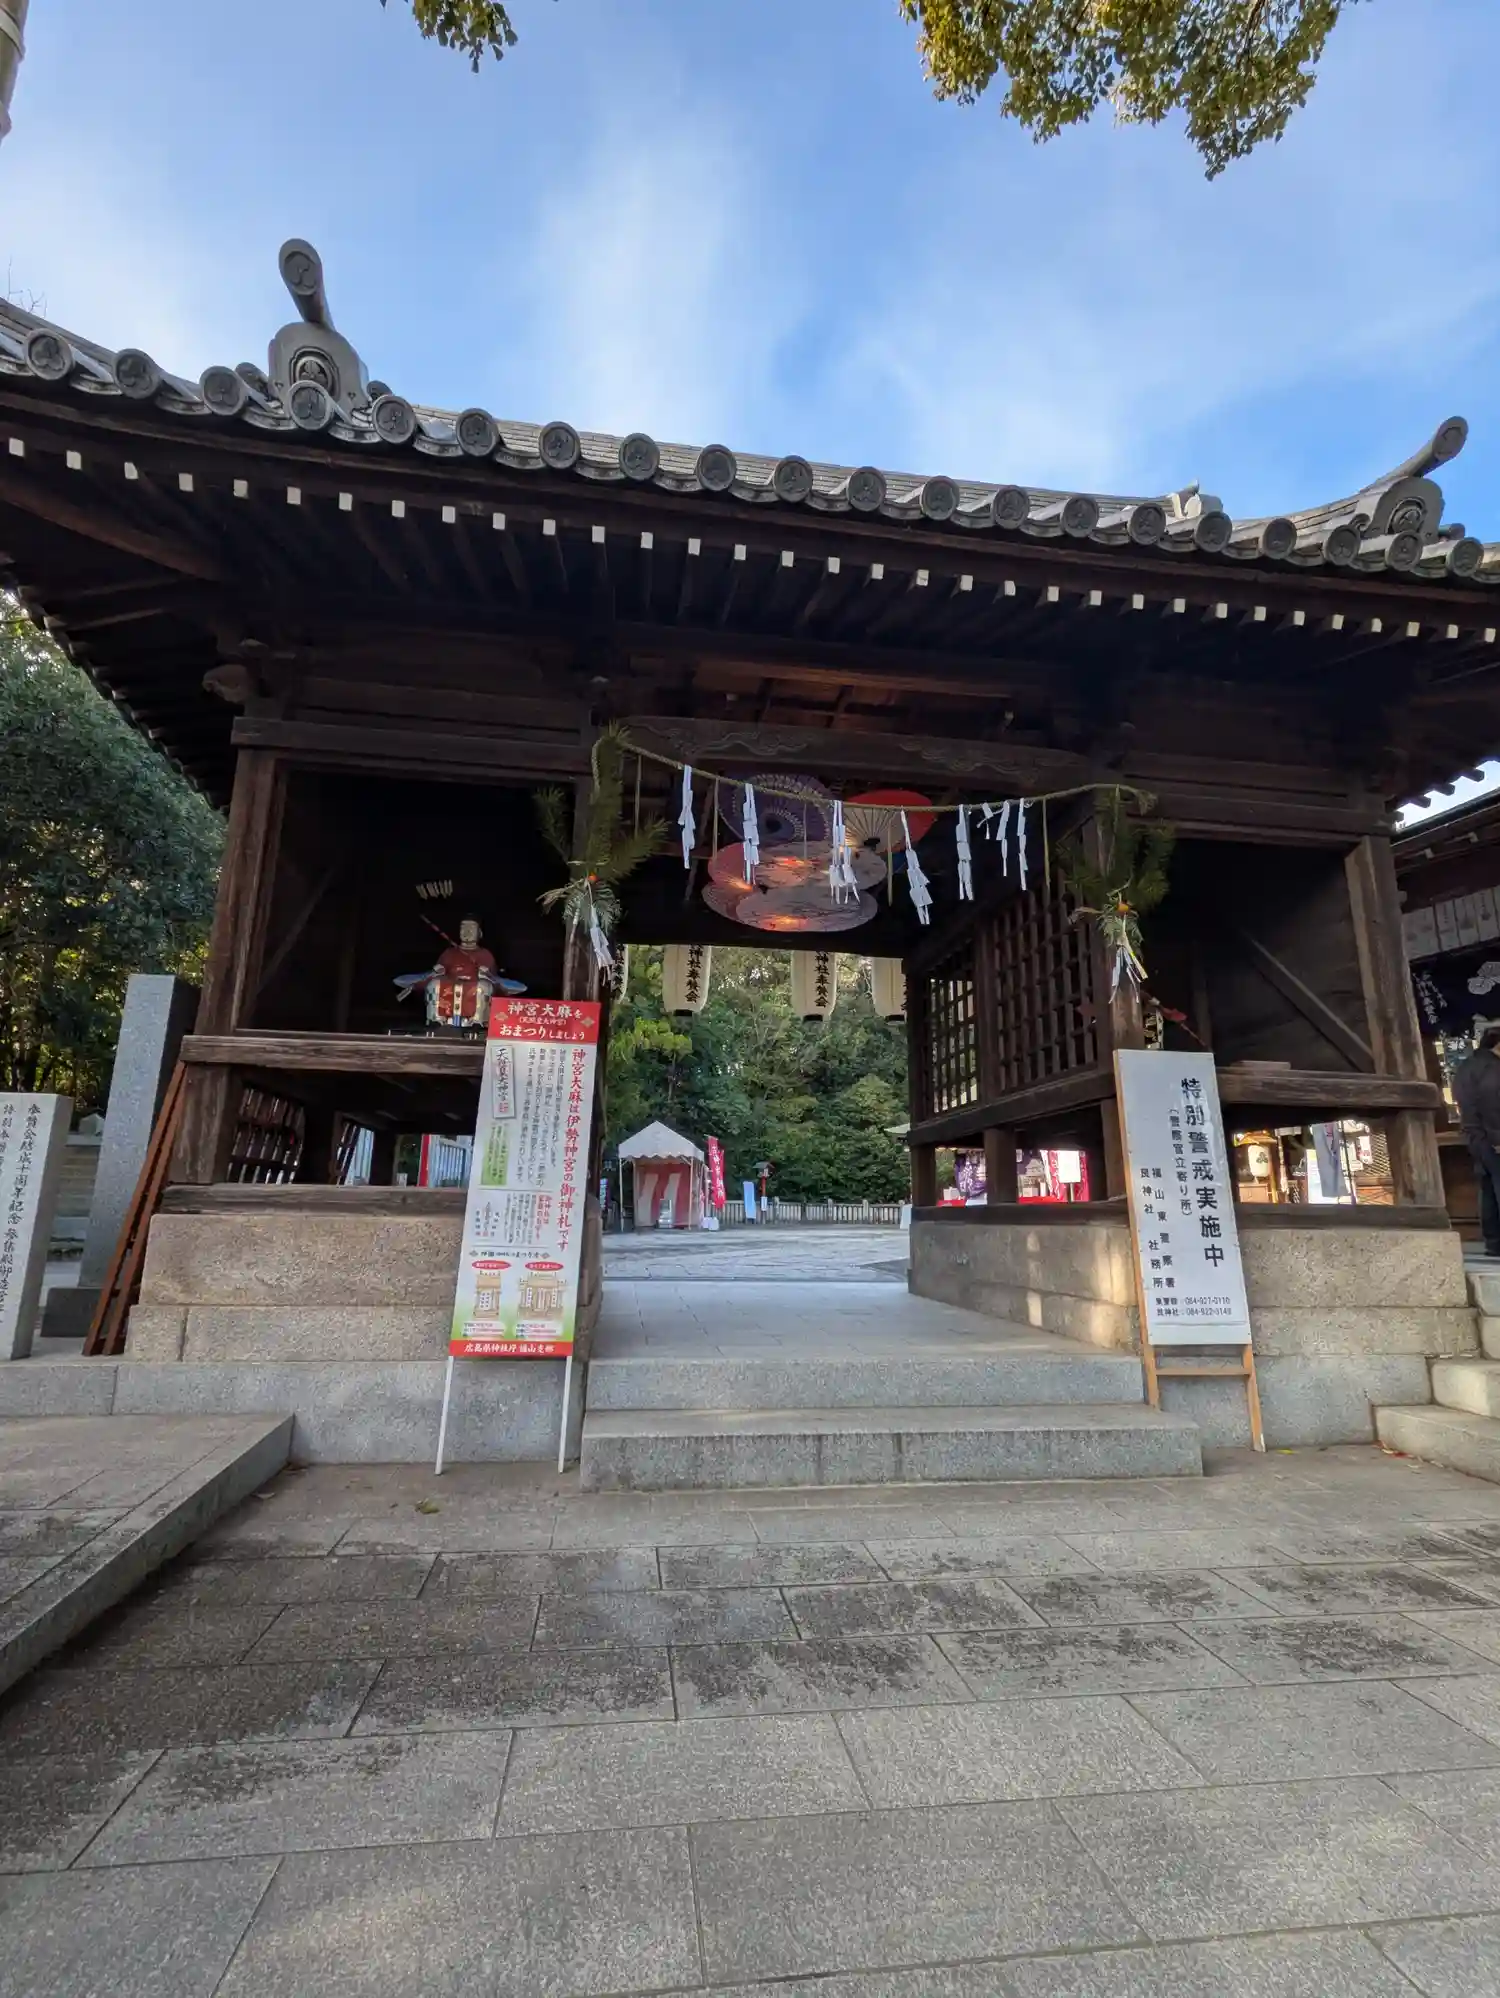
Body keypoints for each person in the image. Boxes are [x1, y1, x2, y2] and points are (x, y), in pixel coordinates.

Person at [1452, 1024, 1500, 1256]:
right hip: (1493, 1134)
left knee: (1488, 1188)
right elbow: (1492, 1104)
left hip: (1474, 1135)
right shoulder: (1493, 1068)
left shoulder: (1466, 1066)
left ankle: (1494, 1242)